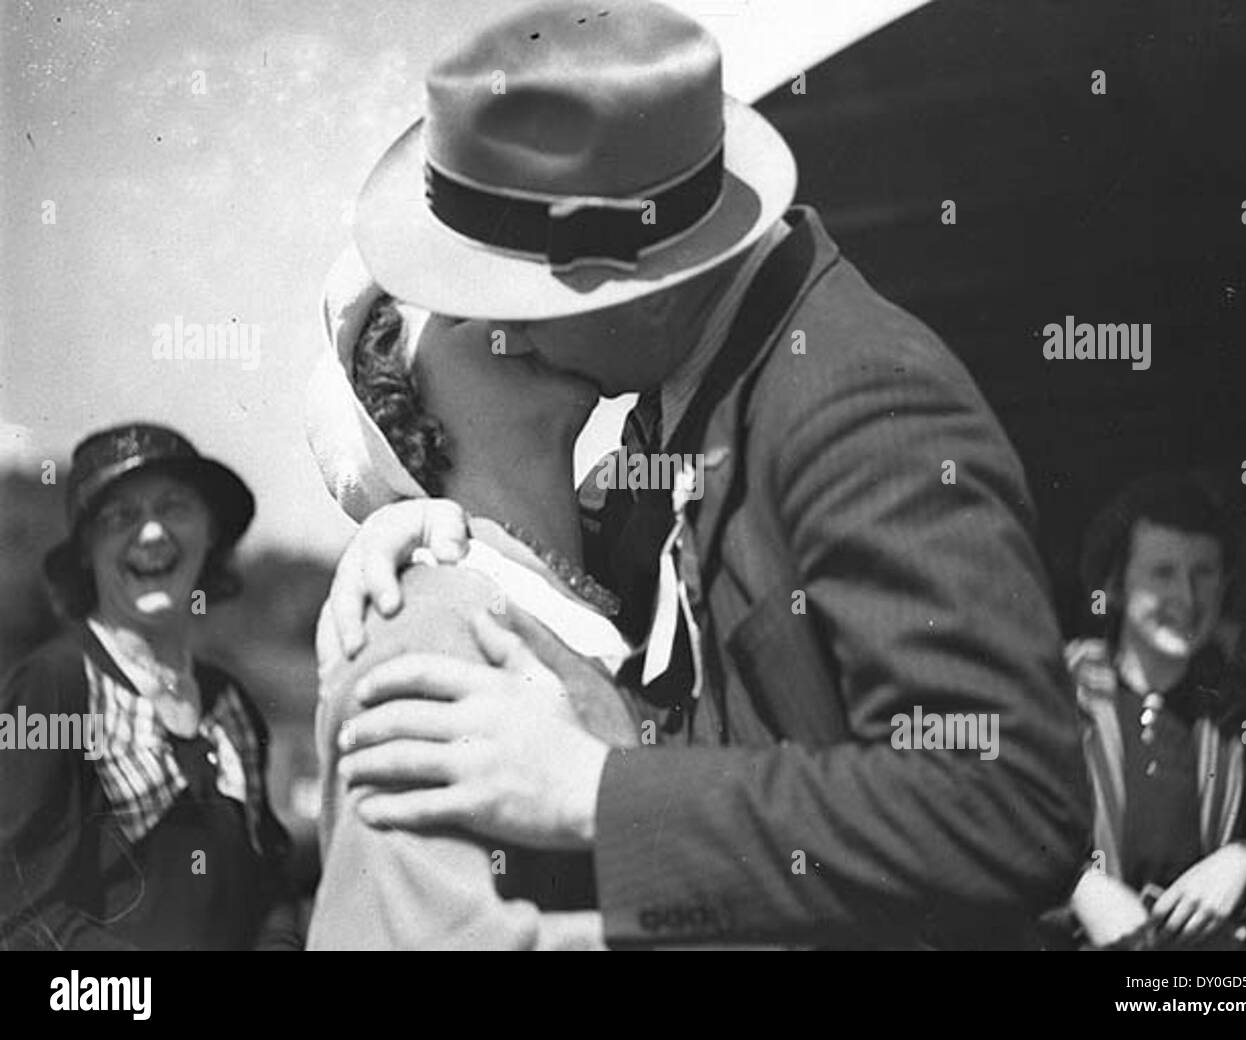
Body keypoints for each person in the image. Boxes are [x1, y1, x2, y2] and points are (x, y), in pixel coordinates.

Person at [315, 0, 1091, 948]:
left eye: (510, 295)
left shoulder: (857, 401)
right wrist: (415, 523)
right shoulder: (684, 392)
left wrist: (601, 789)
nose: (516, 335)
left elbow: (1010, 800)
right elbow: (561, 564)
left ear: (634, 282)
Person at [304, 254, 640, 949]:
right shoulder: (422, 619)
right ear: (397, 402)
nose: (521, 315)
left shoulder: (621, 584)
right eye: (461, 307)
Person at [0, 423, 302, 950]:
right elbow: (23, 910)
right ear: (87, 550)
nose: (153, 533)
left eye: (175, 507)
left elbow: (272, 885)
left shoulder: (229, 703)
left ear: (211, 535)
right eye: (121, 517)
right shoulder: (51, 688)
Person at [1054, 474, 1246, 950]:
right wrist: (1078, 889)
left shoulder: (1240, 712)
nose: (1187, 598)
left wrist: (1245, 862)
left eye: (1204, 573)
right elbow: (988, 835)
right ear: (1117, 584)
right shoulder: (1057, 697)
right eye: (1162, 572)